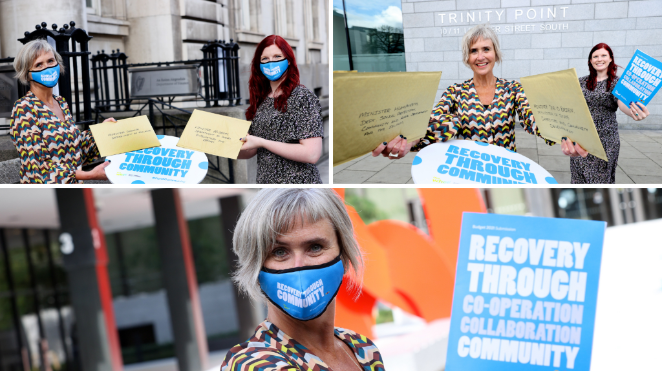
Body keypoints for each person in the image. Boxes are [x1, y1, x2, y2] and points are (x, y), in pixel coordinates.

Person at [220, 189, 385, 371]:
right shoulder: (254, 364)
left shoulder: (364, 350)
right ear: (255, 267)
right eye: (279, 252)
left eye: (315, 247)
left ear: (343, 255)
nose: (299, 265)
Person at [374, 23, 553, 159]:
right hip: (468, 171)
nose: (480, 56)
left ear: (496, 54)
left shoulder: (513, 89)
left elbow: (532, 119)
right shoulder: (455, 91)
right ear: (467, 58)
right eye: (473, 51)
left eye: (486, 49)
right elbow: (433, 122)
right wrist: (410, 140)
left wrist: (561, 133)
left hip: (505, 169)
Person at [10, 39, 116, 184]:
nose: (47, 67)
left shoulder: (61, 102)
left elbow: (76, 150)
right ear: (27, 74)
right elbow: (37, 166)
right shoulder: (24, 108)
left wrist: (102, 132)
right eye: (39, 64)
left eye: (50, 61)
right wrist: (89, 175)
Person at [238, 35, 323, 184]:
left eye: (277, 56)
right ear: (259, 64)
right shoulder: (262, 99)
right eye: (265, 59)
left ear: (289, 60)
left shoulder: (302, 96)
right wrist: (223, 145)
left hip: (298, 186)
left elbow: (312, 154)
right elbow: (252, 149)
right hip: (267, 188)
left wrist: (262, 142)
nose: (271, 62)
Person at [561, 43, 649, 184]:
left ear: (610, 59)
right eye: (595, 56)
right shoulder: (582, 81)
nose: (599, 59)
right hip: (582, 138)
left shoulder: (617, 83)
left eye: (603, 55)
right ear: (590, 61)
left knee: (599, 181)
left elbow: (622, 104)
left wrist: (634, 113)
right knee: (578, 179)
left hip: (605, 141)